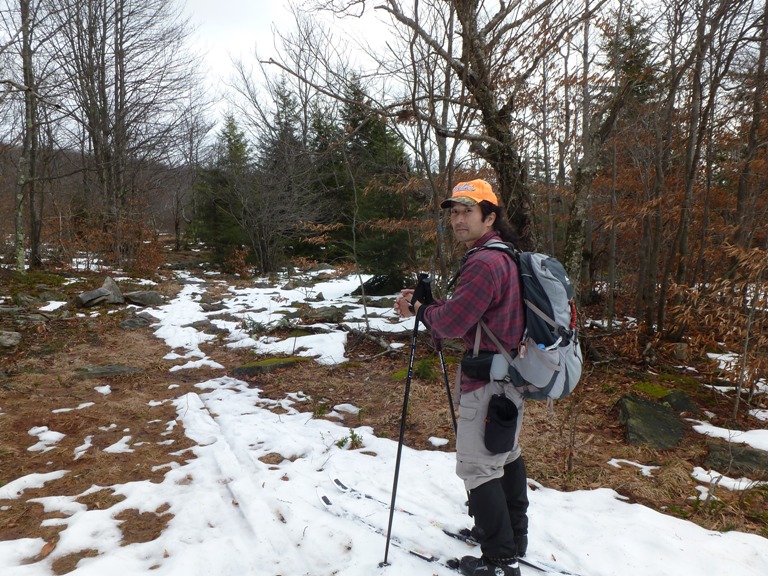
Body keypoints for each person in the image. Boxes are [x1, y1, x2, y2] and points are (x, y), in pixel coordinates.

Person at [395, 179, 529, 576]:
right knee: (505, 455)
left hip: (487, 382)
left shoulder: (484, 262)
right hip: (510, 377)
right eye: (453, 211)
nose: (457, 219)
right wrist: (429, 305)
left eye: (467, 210)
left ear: (490, 216)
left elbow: (453, 322)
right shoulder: (505, 255)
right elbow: (470, 314)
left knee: (478, 467)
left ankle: (500, 561)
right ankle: (513, 539)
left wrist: (421, 311)